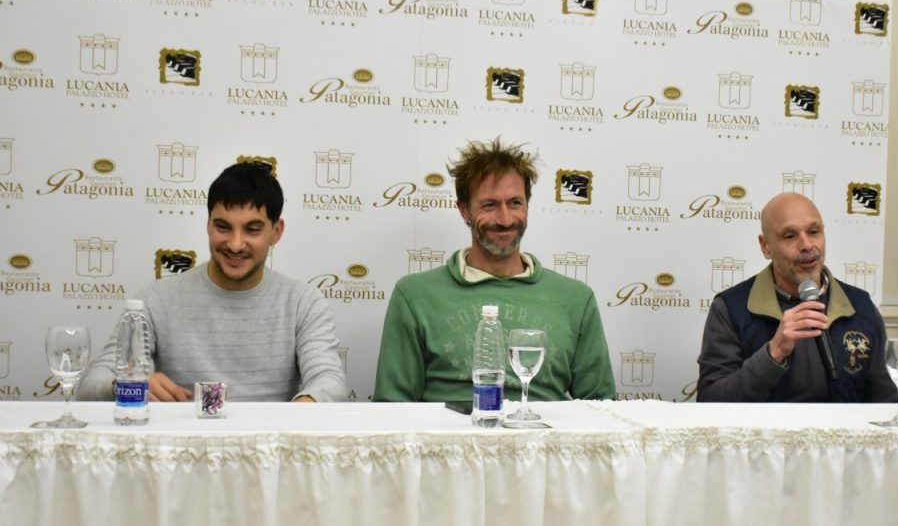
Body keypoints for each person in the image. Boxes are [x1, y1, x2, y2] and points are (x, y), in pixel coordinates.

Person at [78, 162, 347, 402]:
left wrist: (301, 411)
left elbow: (329, 382)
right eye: (223, 227)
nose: (236, 244)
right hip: (181, 442)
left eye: (252, 230)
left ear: (276, 232)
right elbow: (91, 384)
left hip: (273, 441)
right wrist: (127, 385)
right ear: (208, 224)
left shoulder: (302, 303)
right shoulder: (156, 300)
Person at [373, 138, 615, 402]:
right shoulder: (414, 295)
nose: (505, 219)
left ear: (527, 205)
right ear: (464, 210)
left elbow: (602, 408)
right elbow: (392, 408)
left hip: (543, 430)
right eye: (489, 205)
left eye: (515, 203)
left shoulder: (576, 299)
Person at [697, 192, 896, 402]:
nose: (807, 245)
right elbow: (710, 400)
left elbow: (889, 399)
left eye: (814, 232)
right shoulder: (730, 308)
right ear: (765, 246)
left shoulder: (860, 305)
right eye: (790, 236)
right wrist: (773, 353)